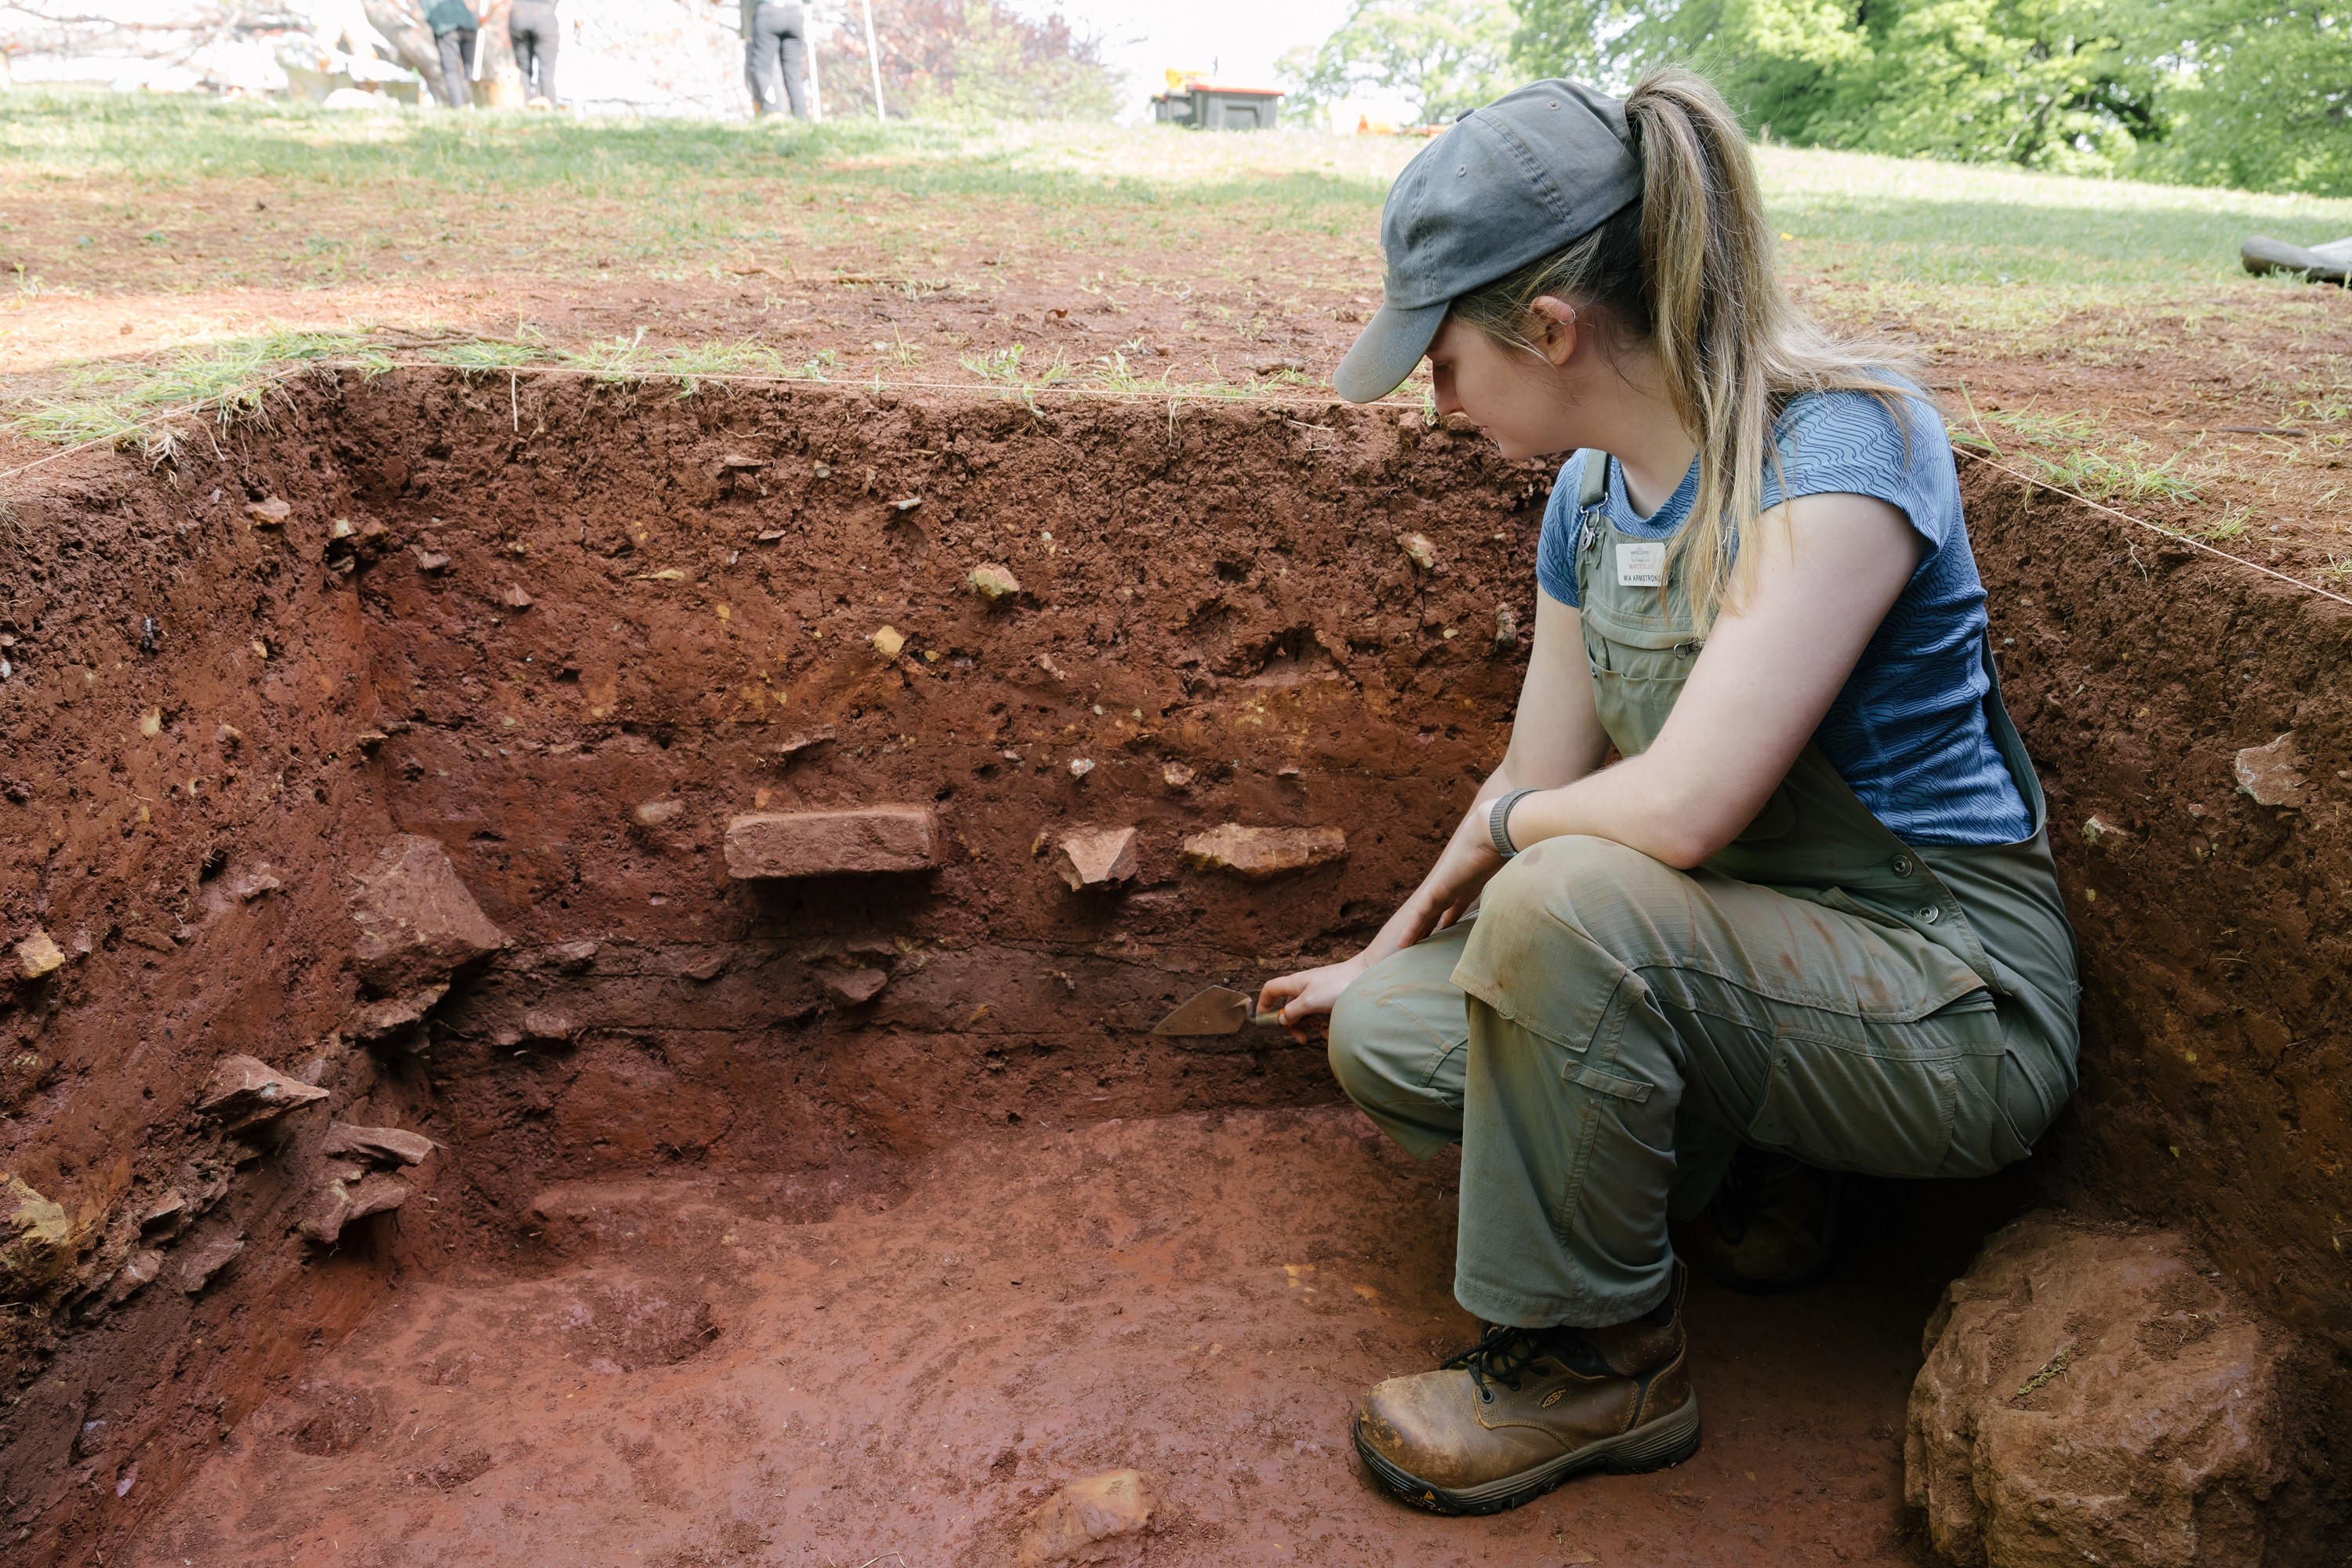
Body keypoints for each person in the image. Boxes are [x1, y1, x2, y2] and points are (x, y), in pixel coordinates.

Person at [1258, 68, 2078, 1517]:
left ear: (1552, 328)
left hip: (1949, 998)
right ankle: (1766, 1179)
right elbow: (1533, 769)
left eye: (1442, 361)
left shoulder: (1840, 449)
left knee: (1567, 900)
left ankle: (1597, 1363)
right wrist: (1378, 955)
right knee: (1393, 1034)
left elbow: (1679, 812)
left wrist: (1518, 844)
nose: (1437, 403)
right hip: (1739, 955)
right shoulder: (1589, 499)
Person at [740, 0, 810, 120]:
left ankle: (772, 110)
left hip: (769, 12)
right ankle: (801, 116)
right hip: (794, 15)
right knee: (793, 73)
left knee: (760, 67)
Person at [423, 0, 478, 109]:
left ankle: (458, 107)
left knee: (450, 70)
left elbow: (428, 15)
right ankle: (477, 103)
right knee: (470, 69)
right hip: (469, 26)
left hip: (447, 29)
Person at [509, 0, 558, 107]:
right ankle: (549, 107)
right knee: (546, 70)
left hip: (519, 14)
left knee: (523, 68)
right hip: (544, 15)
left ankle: (524, 105)